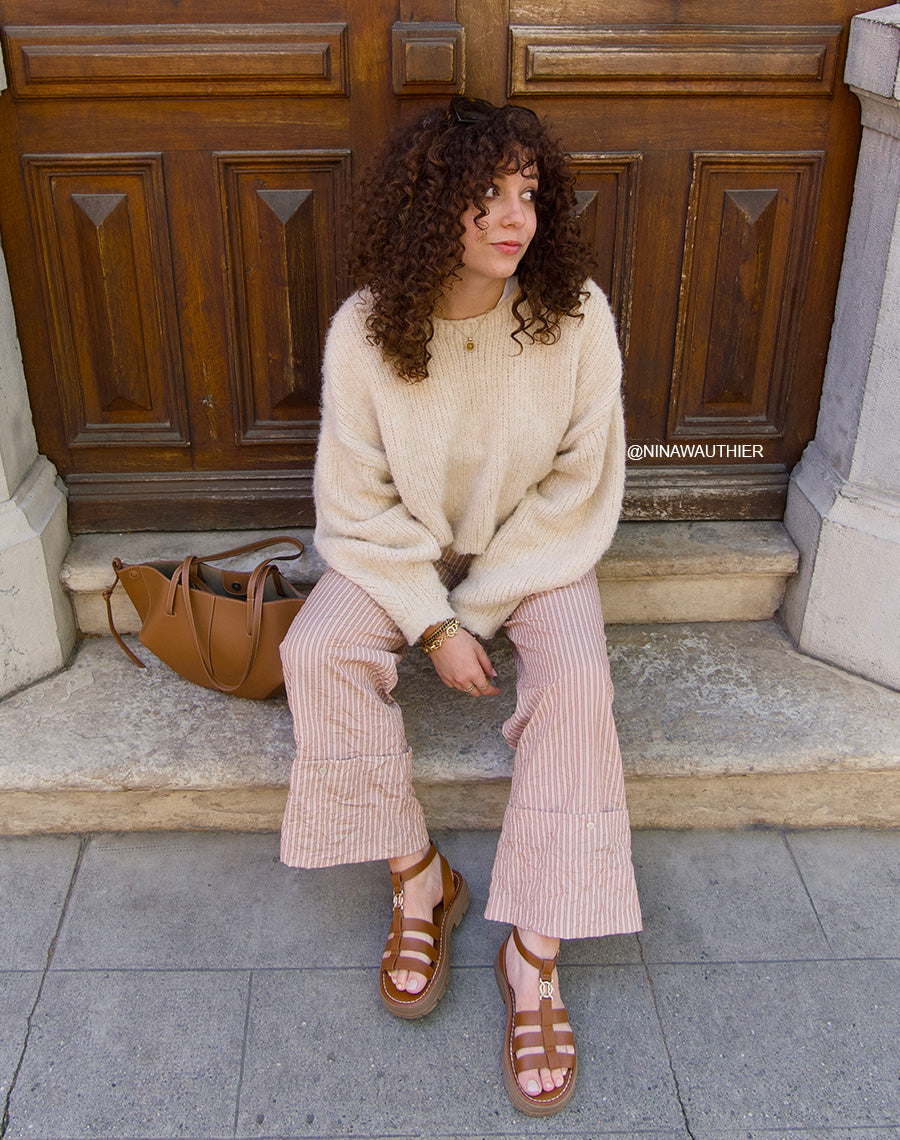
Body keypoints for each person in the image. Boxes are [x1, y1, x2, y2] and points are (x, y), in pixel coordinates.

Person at [279, 96, 641, 1117]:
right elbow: (354, 503)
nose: (510, 217)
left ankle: (534, 955)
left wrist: (471, 612)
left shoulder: (576, 317)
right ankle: (418, 878)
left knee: (577, 680)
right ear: (431, 205)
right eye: (483, 194)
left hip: (539, 556)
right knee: (316, 651)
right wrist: (425, 619)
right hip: (399, 553)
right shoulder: (366, 331)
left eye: (527, 194)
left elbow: (578, 492)